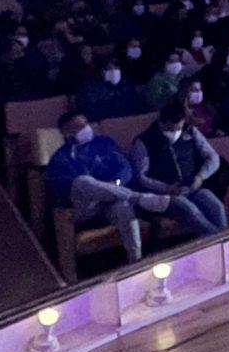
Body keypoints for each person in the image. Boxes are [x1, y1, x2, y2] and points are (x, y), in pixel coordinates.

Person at [44, 112, 189, 265]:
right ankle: (139, 198)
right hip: (86, 207)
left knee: (123, 206)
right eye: (78, 127)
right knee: (82, 181)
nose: (86, 128)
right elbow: (63, 192)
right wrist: (99, 190)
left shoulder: (105, 143)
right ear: (67, 133)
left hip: (113, 199)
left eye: (85, 124)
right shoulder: (61, 158)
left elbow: (125, 169)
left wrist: (116, 184)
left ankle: (136, 261)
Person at [129, 100, 228, 235]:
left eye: (179, 129)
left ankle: (224, 238)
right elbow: (141, 177)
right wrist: (165, 188)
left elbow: (212, 156)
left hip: (192, 187)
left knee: (217, 207)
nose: (176, 133)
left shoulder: (190, 131)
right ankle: (218, 240)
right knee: (192, 212)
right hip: (167, 195)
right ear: (163, 122)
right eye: (172, 129)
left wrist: (201, 176)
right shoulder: (143, 142)